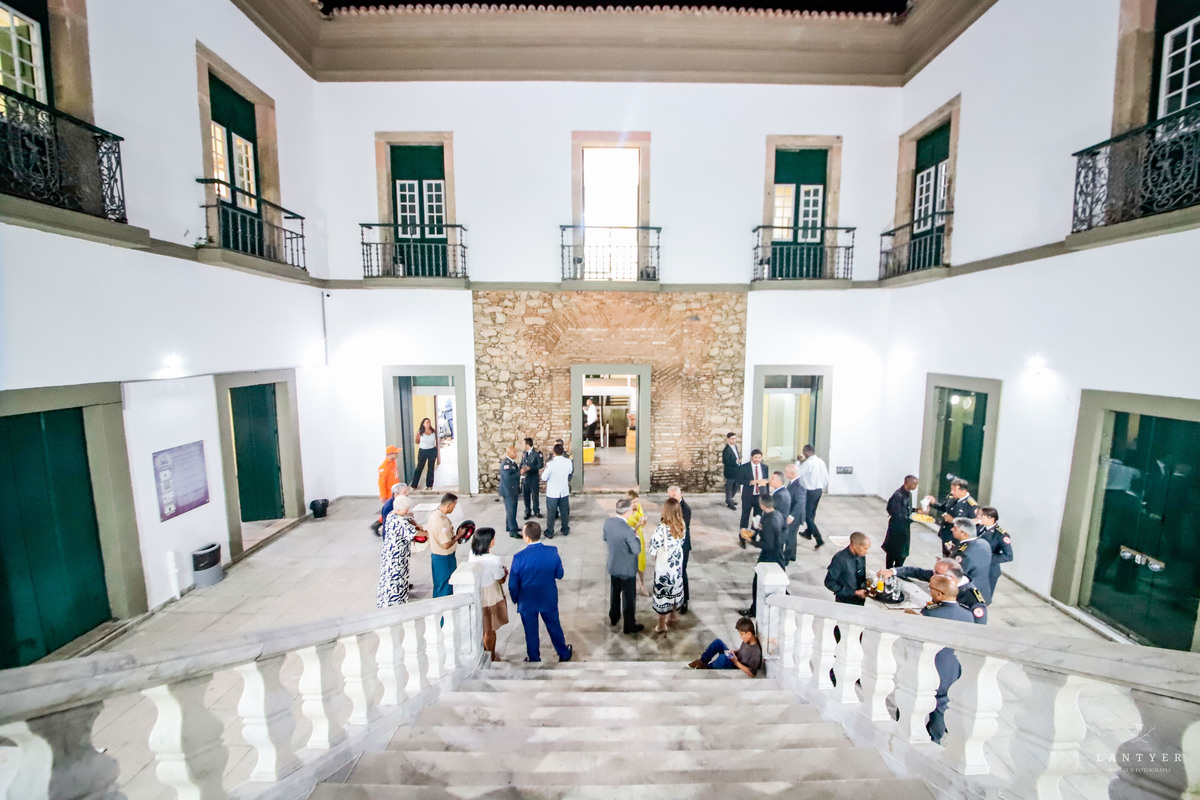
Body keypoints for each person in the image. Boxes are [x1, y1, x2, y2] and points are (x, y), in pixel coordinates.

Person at [913, 574, 975, 744]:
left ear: (940, 594)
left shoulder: (931, 613)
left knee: (914, 701)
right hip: (951, 669)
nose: (929, 592)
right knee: (941, 707)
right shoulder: (968, 615)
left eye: (931, 589)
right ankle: (935, 740)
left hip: (930, 667)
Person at [508, 521, 573, 663]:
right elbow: (560, 574)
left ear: (527, 537)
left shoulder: (519, 558)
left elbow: (513, 584)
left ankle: (534, 657)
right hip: (547, 597)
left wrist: (515, 598)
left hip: (527, 600)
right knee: (554, 626)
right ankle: (563, 653)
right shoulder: (552, 551)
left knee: (530, 631)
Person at [881, 558, 988, 624]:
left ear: (950, 577)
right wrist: (892, 571)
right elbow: (917, 572)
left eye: (936, 572)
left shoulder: (974, 601)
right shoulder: (941, 578)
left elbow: (977, 629)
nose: (933, 574)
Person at [738, 493, 785, 618]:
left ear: (762, 505)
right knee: (778, 581)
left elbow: (768, 544)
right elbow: (784, 529)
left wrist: (751, 541)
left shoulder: (770, 521)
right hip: (778, 553)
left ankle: (754, 610)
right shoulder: (777, 515)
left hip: (770, 556)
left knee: (758, 581)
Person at [604, 498, 644, 635]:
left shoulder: (608, 523)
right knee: (628, 598)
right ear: (626, 512)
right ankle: (629, 625)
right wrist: (636, 537)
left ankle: (614, 617)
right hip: (627, 569)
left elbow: (605, 538)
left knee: (614, 593)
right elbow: (636, 550)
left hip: (613, 565)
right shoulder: (628, 531)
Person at [468, 527, 509, 662]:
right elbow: (500, 579)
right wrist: (505, 573)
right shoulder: (493, 559)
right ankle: (490, 655)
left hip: (477, 592)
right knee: (490, 629)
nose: (494, 540)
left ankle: (484, 651)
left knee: (482, 626)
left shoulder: (471, 555)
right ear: (488, 542)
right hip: (491, 593)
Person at [647, 497, 687, 633]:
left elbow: (653, 547)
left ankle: (662, 624)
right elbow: (681, 541)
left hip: (665, 565)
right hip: (676, 562)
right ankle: (673, 615)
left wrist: (655, 556)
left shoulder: (661, 528)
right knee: (675, 587)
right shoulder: (682, 523)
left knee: (663, 592)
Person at [376, 493, 418, 607]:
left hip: (390, 556)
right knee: (396, 583)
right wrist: (429, 533)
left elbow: (406, 518)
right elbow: (414, 533)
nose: (407, 510)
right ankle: (395, 605)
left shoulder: (391, 514)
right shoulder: (399, 521)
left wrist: (410, 519)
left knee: (388, 580)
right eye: (406, 509)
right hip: (396, 559)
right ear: (399, 508)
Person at [688, 617, 763, 677]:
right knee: (718, 642)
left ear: (749, 634)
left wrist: (736, 662)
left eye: (742, 634)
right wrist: (734, 652)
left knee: (723, 658)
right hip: (735, 658)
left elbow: (752, 674)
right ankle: (702, 661)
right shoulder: (748, 640)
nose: (740, 637)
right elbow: (743, 651)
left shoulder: (755, 652)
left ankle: (707, 667)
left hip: (736, 665)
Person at [924, 477, 977, 556]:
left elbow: (972, 523)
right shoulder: (951, 497)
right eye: (951, 489)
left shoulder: (971, 505)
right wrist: (933, 503)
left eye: (954, 490)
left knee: (954, 558)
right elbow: (944, 507)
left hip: (957, 538)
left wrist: (953, 520)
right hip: (946, 533)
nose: (952, 492)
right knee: (946, 555)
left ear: (963, 491)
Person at [949, 516, 992, 599]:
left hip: (967, 596)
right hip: (983, 593)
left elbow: (954, 575)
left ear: (964, 534)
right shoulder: (984, 543)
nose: (952, 529)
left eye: (955, 528)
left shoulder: (962, 553)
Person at [795, 445, 829, 550]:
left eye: (804, 452)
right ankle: (808, 533)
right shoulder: (821, 461)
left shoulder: (809, 463)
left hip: (810, 491)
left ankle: (818, 538)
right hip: (818, 491)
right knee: (812, 513)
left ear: (806, 452)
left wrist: (797, 462)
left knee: (807, 516)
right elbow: (826, 478)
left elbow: (797, 473)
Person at [976, 507, 1012, 603]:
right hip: (977, 567)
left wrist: (988, 558)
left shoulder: (1000, 534)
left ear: (991, 518)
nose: (979, 517)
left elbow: (1008, 555)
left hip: (990, 570)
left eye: (982, 516)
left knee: (984, 599)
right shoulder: (980, 527)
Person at [426, 492, 459, 598]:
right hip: (444, 558)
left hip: (438, 557)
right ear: (449, 505)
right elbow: (446, 544)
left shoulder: (435, 515)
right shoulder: (440, 522)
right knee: (445, 587)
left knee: (440, 585)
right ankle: (443, 614)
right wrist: (459, 536)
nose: (454, 508)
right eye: (454, 505)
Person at [883, 475, 919, 568]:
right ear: (908, 483)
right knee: (894, 550)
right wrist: (911, 519)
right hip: (897, 528)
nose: (916, 486)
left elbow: (906, 509)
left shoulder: (908, 494)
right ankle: (890, 570)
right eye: (915, 484)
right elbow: (896, 513)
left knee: (902, 552)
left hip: (904, 528)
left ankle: (898, 569)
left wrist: (916, 510)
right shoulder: (898, 496)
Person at [824, 532, 870, 605]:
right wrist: (853, 592)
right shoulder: (840, 559)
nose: (866, 552)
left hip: (860, 600)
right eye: (865, 548)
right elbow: (829, 582)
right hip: (845, 602)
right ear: (855, 545)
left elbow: (861, 575)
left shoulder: (861, 555)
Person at [667, 485, 692, 613]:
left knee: (681, 572)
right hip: (672, 545)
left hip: (682, 546)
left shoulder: (685, 509)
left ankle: (685, 600)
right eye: (670, 496)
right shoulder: (669, 507)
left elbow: (681, 527)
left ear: (680, 495)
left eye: (674, 496)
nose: (671, 499)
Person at [541, 443, 573, 539]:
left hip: (552, 492)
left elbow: (544, 477)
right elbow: (569, 472)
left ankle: (550, 531)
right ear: (562, 451)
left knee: (551, 512)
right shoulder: (568, 462)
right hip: (563, 490)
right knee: (564, 511)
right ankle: (565, 529)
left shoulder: (550, 464)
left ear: (554, 452)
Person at [738, 449, 770, 539]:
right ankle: (742, 537)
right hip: (748, 496)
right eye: (755, 457)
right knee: (745, 516)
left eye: (759, 458)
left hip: (759, 496)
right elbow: (739, 480)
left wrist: (766, 496)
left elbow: (766, 482)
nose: (757, 459)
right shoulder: (744, 467)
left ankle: (753, 535)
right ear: (752, 457)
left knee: (757, 517)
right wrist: (750, 482)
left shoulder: (765, 467)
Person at [372, 445, 401, 534]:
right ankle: (382, 526)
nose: (397, 455)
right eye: (395, 453)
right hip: (389, 494)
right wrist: (383, 495)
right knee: (390, 512)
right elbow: (381, 483)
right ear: (390, 454)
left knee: (393, 510)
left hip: (395, 492)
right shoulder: (384, 467)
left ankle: (378, 524)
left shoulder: (393, 463)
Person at [783, 463, 808, 563]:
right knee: (792, 535)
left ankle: (786, 558)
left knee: (789, 537)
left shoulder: (798, 485)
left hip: (795, 516)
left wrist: (791, 516)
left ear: (792, 473)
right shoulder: (793, 482)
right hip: (793, 514)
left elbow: (800, 503)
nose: (785, 473)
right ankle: (792, 555)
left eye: (786, 472)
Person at [626, 489, 649, 595]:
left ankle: (642, 585)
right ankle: (632, 585)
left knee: (641, 561)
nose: (636, 504)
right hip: (630, 539)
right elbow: (628, 528)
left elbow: (642, 517)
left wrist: (644, 521)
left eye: (637, 501)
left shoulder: (638, 507)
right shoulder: (625, 512)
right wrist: (639, 525)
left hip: (639, 538)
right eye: (634, 502)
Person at [410, 418, 439, 490]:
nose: (428, 424)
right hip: (423, 451)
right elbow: (417, 441)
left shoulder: (433, 431)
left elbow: (436, 440)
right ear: (423, 424)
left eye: (429, 422)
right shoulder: (420, 432)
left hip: (432, 450)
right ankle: (414, 485)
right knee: (419, 468)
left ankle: (429, 485)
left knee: (431, 468)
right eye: (426, 423)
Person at [519, 438, 544, 520]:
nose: (522, 445)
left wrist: (530, 468)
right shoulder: (524, 453)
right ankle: (527, 511)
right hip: (525, 478)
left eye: (523, 444)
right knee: (525, 496)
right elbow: (522, 463)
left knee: (534, 495)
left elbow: (540, 465)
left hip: (533, 478)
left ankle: (536, 510)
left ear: (527, 445)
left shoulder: (537, 453)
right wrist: (521, 470)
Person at [499, 445, 521, 539]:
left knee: (511, 509)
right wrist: (520, 472)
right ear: (509, 453)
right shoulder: (506, 464)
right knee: (511, 510)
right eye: (514, 452)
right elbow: (508, 477)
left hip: (513, 490)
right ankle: (513, 531)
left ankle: (510, 526)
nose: (516, 454)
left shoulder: (512, 462)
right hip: (509, 491)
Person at [722, 432, 741, 510]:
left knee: (736, 485)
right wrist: (737, 461)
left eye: (735, 438)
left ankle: (729, 499)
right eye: (732, 439)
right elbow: (726, 461)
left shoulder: (735, 447)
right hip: (730, 471)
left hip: (736, 470)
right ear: (728, 439)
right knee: (729, 487)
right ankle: (729, 502)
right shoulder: (726, 450)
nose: (734, 440)